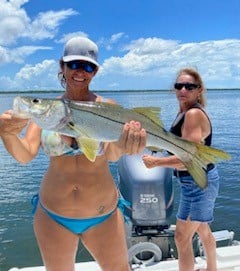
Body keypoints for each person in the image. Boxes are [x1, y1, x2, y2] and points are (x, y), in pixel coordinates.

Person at [0, 36, 147, 271]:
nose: (81, 71)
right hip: (53, 214)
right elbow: (25, 154)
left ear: (95, 71)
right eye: (74, 64)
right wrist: (7, 134)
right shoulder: (45, 111)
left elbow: (111, 154)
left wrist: (128, 144)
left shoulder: (108, 107)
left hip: (103, 215)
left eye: (88, 66)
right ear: (62, 66)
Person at [142, 68, 219, 271]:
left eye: (189, 86)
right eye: (179, 86)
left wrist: (156, 163)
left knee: (182, 237)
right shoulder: (184, 112)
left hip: (198, 183)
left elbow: (189, 158)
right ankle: (212, 268)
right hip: (194, 182)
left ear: (199, 90)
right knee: (203, 229)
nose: (183, 89)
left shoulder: (193, 114)